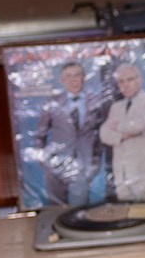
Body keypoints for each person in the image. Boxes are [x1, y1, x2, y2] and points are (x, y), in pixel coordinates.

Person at [32, 60, 106, 206]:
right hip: (55, 164)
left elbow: (100, 134)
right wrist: (44, 161)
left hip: (83, 164)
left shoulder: (95, 102)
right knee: (56, 208)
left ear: (84, 77)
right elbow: (40, 134)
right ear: (62, 80)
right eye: (69, 76)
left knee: (80, 208)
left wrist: (95, 161)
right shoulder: (52, 103)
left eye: (77, 75)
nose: (74, 80)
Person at [98, 62, 145, 201]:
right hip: (121, 174)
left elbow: (142, 124)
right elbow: (103, 133)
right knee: (127, 213)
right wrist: (122, 136)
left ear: (139, 80)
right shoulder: (116, 107)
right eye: (121, 81)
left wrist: (117, 127)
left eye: (130, 79)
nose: (125, 85)